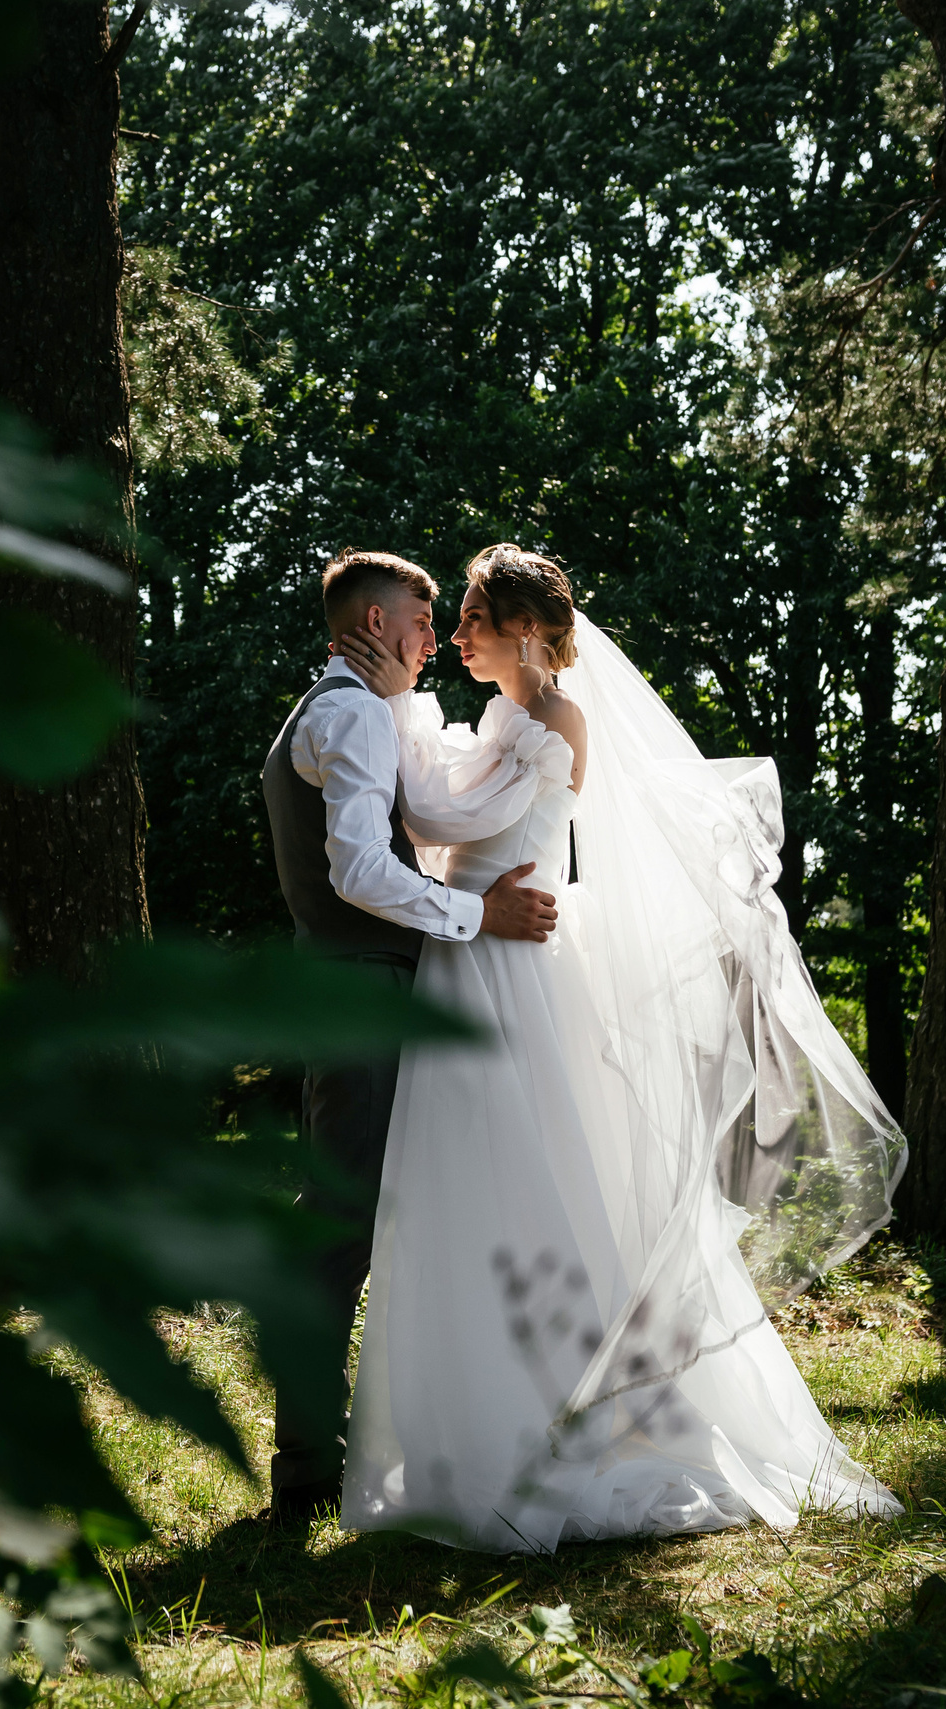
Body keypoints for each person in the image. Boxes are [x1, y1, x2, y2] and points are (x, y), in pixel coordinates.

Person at [319, 544, 907, 1551]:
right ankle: (469, 1425)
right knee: (467, 1187)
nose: (455, 635)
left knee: (524, 1178)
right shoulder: (505, 717)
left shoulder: (557, 723)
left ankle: (560, 1421)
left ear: (527, 633)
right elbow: (440, 812)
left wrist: (396, 710)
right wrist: (404, 716)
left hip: (510, 967)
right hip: (476, 953)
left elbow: (441, 815)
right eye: (450, 618)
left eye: (470, 618)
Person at [258, 550, 561, 1523]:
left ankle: (353, 1445)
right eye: (425, 624)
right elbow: (357, 870)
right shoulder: (349, 712)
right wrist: (480, 919)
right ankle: (305, 1466)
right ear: (382, 624)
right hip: (362, 989)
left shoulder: (352, 705)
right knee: (339, 1225)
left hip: (352, 983)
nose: (436, 642)